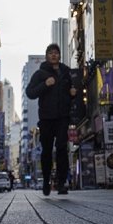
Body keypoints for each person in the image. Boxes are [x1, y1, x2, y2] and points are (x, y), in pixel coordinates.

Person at [25, 43, 77, 195]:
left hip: (62, 117)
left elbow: (73, 92)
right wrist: (44, 85)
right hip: (46, 118)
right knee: (46, 151)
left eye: (56, 53)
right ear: (47, 56)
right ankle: (46, 182)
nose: (54, 55)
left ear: (59, 55)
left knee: (62, 148)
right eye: (51, 53)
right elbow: (30, 93)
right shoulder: (40, 74)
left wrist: (73, 93)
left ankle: (61, 183)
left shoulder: (66, 72)